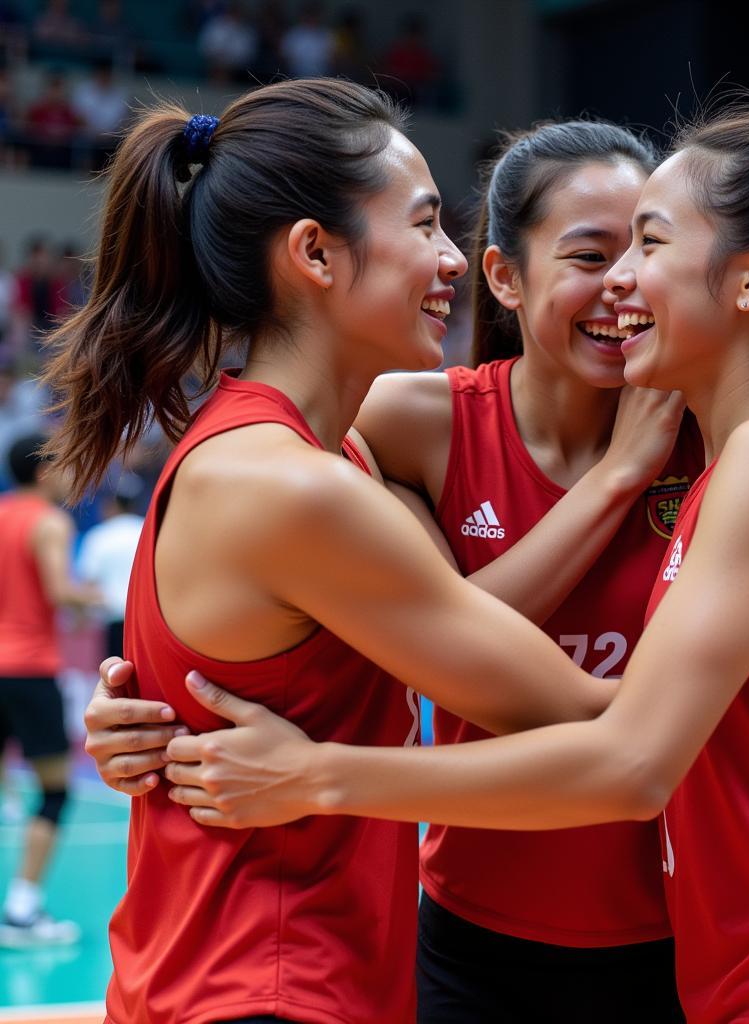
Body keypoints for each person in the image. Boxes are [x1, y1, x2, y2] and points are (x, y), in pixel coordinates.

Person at [87, 119, 749, 1021]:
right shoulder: (387, 431)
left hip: (681, 941)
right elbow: (426, 632)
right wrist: (159, 701)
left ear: (747, 278)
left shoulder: (738, 435)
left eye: (646, 244)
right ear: (510, 274)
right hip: (467, 933)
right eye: (593, 253)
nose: (621, 281)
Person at [42, 78, 630, 1024]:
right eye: (427, 225)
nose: (451, 262)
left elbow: (461, 622)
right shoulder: (294, 487)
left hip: (246, 975)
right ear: (314, 252)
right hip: (270, 984)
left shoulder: (306, 454)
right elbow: (589, 720)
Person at [0, 432, 100, 947]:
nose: (69, 475)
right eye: (63, 465)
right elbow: (61, 591)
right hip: (28, 671)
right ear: (43, 472)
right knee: (54, 792)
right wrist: (100, 594)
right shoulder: (50, 522)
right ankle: (21, 911)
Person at [77, 472, 144, 659]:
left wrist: (80, 618)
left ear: (111, 505)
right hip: (145, 621)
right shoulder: (147, 530)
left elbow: (89, 584)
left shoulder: (98, 536)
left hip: (113, 622)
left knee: (115, 678)